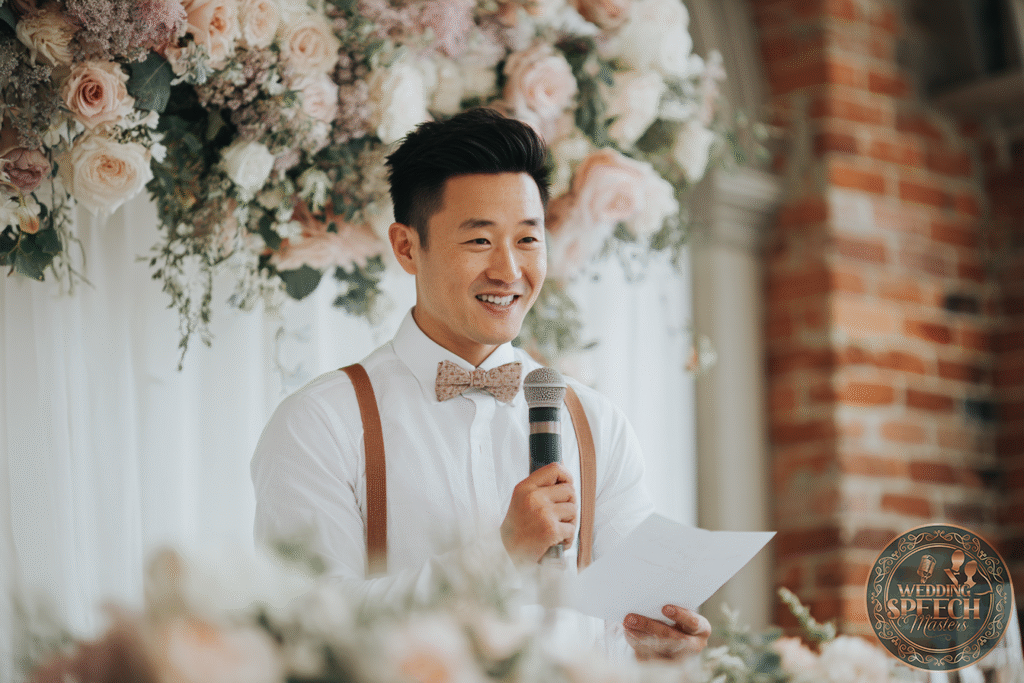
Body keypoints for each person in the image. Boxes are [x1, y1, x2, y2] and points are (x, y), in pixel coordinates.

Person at [251, 108, 710, 661]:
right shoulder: (321, 423)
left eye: (527, 239)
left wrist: (656, 643)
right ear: (405, 247)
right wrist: (501, 553)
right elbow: (311, 628)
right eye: (479, 242)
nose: (509, 270)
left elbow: (614, 630)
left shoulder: (597, 424)